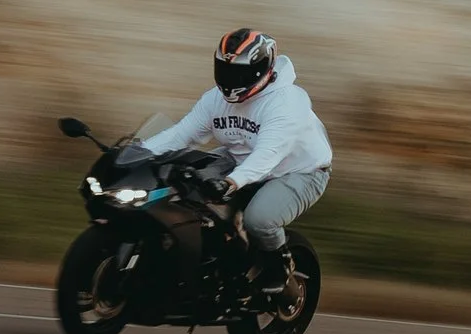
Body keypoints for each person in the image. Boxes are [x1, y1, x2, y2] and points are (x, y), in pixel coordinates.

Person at [131, 28, 333, 293]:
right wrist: (138, 152)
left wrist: (230, 182)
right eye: (224, 70)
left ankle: (280, 267)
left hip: (298, 170)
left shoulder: (286, 103)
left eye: (239, 73)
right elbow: (182, 134)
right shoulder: (214, 99)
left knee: (258, 220)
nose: (229, 80)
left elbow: (268, 155)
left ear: (262, 71)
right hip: (241, 157)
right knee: (177, 182)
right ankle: (206, 256)